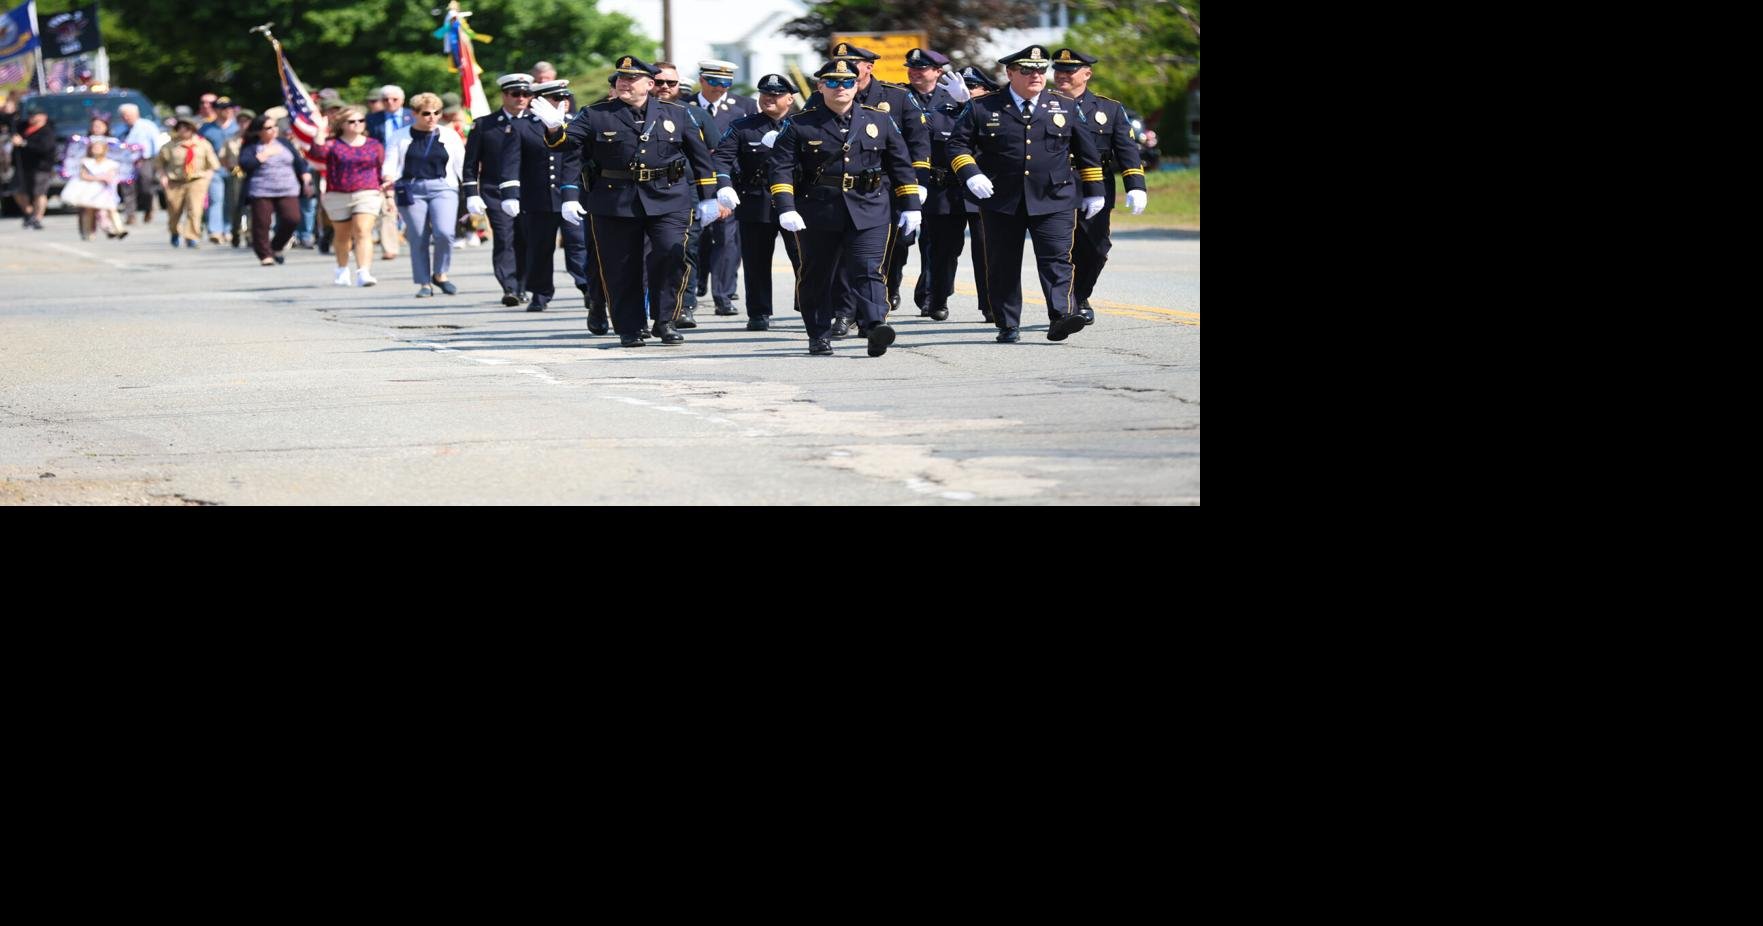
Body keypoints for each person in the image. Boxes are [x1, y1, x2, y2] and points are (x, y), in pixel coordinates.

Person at [529, 55, 720, 347]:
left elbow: (701, 157)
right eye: (621, 78)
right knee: (621, 266)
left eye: (632, 79)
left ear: (650, 84)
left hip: (668, 196)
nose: (624, 83)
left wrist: (709, 197)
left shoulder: (677, 114)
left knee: (672, 253)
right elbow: (566, 145)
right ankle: (630, 327)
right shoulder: (596, 113)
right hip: (614, 199)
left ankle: (666, 319)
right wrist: (554, 128)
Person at [946, 45, 1105, 343]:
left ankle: (1061, 316)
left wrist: (1095, 191)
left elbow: (1087, 152)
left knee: (1057, 259)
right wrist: (971, 173)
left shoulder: (1065, 106)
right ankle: (1008, 323)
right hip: (1002, 198)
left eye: (1040, 70)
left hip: (1055, 197)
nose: (1035, 75)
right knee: (1003, 262)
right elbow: (957, 145)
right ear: (1009, 73)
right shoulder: (983, 106)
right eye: (1027, 70)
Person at [768, 58, 922, 357]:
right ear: (821, 86)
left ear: (856, 85)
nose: (842, 87)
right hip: (818, 210)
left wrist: (911, 205)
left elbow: (901, 165)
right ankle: (818, 333)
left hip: (870, 206)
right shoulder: (800, 123)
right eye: (834, 82)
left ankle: (876, 325)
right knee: (817, 273)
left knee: (868, 269)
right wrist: (786, 207)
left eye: (848, 82)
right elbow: (780, 169)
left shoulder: (878, 120)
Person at [804, 43, 930, 337]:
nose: (844, 72)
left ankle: (877, 305)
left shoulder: (897, 97)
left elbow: (917, 144)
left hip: (883, 191)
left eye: (853, 65)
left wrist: (915, 186)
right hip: (836, 194)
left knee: (884, 253)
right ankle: (847, 313)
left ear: (869, 67)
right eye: (839, 64)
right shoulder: (819, 97)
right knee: (847, 258)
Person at [1050, 47, 1149, 323]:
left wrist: (1136, 186)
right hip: (1055, 185)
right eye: (1058, 70)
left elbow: (1126, 149)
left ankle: (1080, 295)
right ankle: (1066, 307)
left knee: (1096, 248)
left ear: (1087, 74)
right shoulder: (1044, 103)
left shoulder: (1110, 108)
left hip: (1097, 186)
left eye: (1070, 71)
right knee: (1059, 249)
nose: (1062, 75)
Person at [712, 72, 802, 331]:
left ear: (790, 99)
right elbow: (722, 159)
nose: (769, 99)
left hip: (795, 201)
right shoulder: (743, 126)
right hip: (756, 200)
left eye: (776, 95)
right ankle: (759, 312)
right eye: (765, 94)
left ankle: (809, 305)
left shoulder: (803, 124)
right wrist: (724, 185)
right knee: (756, 261)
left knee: (804, 258)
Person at [498, 79, 592, 313]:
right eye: (557, 98)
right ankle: (540, 293)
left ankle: (587, 287)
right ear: (540, 101)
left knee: (578, 244)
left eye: (566, 97)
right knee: (539, 248)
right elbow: (511, 162)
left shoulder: (576, 124)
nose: (564, 102)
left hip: (572, 198)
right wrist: (510, 193)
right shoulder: (521, 126)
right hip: (538, 198)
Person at [900, 47, 973, 322]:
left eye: (923, 68)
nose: (916, 72)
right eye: (912, 67)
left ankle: (935, 297)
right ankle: (889, 289)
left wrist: (966, 104)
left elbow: (973, 132)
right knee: (900, 243)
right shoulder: (897, 96)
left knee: (943, 247)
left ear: (938, 72)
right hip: (905, 182)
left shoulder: (953, 98)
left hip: (943, 185)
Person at [652, 62, 717, 330]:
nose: (665, 87)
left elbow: (713, 156)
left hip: (685, 191)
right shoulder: (633, 115)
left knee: (684, 251)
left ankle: (684, 307)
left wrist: (711, 196)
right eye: (660, 82)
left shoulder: (693, 115)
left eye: (672, 83)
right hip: (644, 192)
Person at [690, 59, 756, 318]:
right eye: (714, 82)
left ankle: (724, 295)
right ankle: (690, 292)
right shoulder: (685, 105)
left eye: (726, 83)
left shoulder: (744, 107)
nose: (720, 88)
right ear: (702, 80)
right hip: (692, 184)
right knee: (693, 240)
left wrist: (725, 188)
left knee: (727, 241)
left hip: (729, 185)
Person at [383, 92, 465, 297]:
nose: (432, 117)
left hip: (443, 187)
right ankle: (424, 282)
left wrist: (472, 190)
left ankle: (441, 274)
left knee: (445, 233)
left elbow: (462, 165)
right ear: (415, 114)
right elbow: (390, 163)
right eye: (426, 113)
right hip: (411, 189)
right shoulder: (400, 135)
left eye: (437, 113)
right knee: (418, 236)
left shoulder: (449, 135)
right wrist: (388, 178)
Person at [462, 73, 533, 306]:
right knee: (504, 238)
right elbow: (471, 163)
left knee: (526, 239)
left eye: (526, 94)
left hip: (530, 191)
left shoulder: (537, 123)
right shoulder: (485, 125)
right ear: (504, 95)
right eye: (516, 94)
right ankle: (509, 287)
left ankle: (523, 285)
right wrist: (472, 193)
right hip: (495, 191)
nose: (521, 98)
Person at [308, 106, 385, 286]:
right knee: (342, 235)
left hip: (367, 192)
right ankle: (342, 269)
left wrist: (387, 191)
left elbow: (381, 169)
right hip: (338, 194)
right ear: (342, 124)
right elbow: (316, 155)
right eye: (351, 121)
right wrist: (320, 131)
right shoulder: (332, 144)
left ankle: (363, 272)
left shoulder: (374, 144)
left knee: (362, 231)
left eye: (360, 120)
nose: (357, 124)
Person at [238, 114, 314, 266]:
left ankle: (276, 246)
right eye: (268, 128)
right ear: (259, 131)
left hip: (288, 188)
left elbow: (299, 162)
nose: (273, 130)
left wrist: (306, 178)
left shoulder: (284, 143)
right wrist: (263, 156)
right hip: (261, 190)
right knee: (262, 223)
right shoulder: (252, 146)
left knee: (292, 219)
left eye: (275, 126)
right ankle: (265, 254)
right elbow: (245, 164)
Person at [156, 117, 220, 248]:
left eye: (186, 128)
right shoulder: (169, 146)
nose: (183, 131)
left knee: (195, 210)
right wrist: (163, 177)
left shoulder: (203, 144)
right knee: (174, 210)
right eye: (180, 128)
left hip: (197, 180)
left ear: (192, 130)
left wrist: (207, 178)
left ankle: (192, 236)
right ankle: (174, 231)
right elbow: (159, 164)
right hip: (175, 181)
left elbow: (213, 165)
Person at [365, 86, 412, 260]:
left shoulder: (413, 115)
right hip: (384, 167)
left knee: (413, 205)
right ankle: (390, 247)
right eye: (386, 100)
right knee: (387, 207)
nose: (390, 103)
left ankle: (412, 236)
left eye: (394, 99)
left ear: (402, 100)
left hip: (410, 165)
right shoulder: (372, 119)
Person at [65, 137, 125, 240]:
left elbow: (112, 176)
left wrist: (106, 178)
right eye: (94, 148)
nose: (96, 150)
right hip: (90, 190)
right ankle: (88, 233)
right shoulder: (87, 162)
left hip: (104, 191)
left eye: (98, 148)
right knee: (89, 211)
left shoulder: (110, 163)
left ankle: (118, 229)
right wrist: (97, 177)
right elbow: (83, 175)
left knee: (109, 210)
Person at [115, 103, 162, 226]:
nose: (126, 117)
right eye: (123, 115)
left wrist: (157, 161)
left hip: (145, 160)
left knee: (146, 187)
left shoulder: (147, 126)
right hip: (126, 163)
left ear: (136, 114)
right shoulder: (120, 128)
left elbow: (156, 143)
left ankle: (148, 209)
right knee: (128, 189)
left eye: (129, 115)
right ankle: (130, 215)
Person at [10, 110, 58, 230]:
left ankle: (38, 218)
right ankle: (29, 213)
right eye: (30, 115)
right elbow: (10, 121)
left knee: (39, 193)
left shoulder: (47, 131)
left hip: (41, 167)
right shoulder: (24, 128)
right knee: (17, 190)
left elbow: (44, 148)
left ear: (43, 117)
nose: (32, 118)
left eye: (35, 115)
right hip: (23, 166)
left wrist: (24, 143)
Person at [196, 107, 232, 244]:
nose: (225, 111)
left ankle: (227, 229)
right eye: (221, 108)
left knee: (231, 201)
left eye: (227, 108)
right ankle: (215, 230)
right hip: (214, 169)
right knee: (216, 199)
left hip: (234, 170)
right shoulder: (206, 128)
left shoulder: (237, 125)